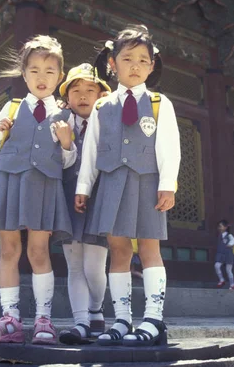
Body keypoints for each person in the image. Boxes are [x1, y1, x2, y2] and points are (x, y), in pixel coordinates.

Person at [75, 24, 181, 347]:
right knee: (118, 251)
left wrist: (168, 184)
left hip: (148, 184)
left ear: (152, 65)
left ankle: (154, 318)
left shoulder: (160, 103)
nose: (134, 66)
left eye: (142, 60)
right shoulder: (102, 107)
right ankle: (122, 319)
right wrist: (83, 187)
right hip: (110, 184)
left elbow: (170, 146)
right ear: (112, 63)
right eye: (127, 58)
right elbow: (91, 151)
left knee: (149, 249)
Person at [0, 35, 75, 345]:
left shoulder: (63, 113)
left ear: (59, 76)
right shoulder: (13, 105)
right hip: (9, 181)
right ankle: (10, 318)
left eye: (49, 71)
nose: (41, 77)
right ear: (24, 74)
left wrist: (66, 141)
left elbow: (68, 159)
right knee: (9, 250)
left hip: (44, 184)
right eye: (34, 70)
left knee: (38, 250)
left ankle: (44, 319)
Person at [56, 63, 112, 345]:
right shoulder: (60, 123)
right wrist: (66, 145)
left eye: (90, 89)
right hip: (68, 198)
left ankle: (96, 309)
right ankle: (79, 322)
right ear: (67, 98)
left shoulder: (109, 122)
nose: (82, 95)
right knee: (74, 265)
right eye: (75, 90)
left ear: (101, 95)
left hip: (98, 200)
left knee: (93, 266)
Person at [214, 220, 234, 290]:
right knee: (216, 266)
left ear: (225, 227)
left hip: (228, 254)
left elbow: (233, 241)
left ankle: (232, 285)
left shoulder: (229, 235)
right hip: (220, 254)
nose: (219, 228)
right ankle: (221, 280)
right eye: (219, 226)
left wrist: (230, 244)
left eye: (221, 226)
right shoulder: (220, 236)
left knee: (228, 270)